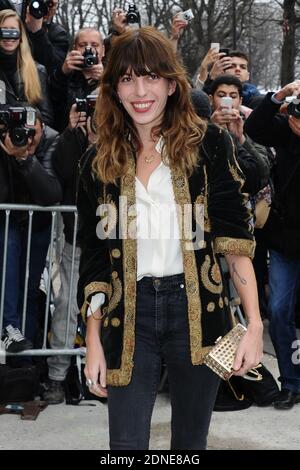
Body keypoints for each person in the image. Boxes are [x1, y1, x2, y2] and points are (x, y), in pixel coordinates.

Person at [77, 27, 263, 450]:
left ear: (171, 83)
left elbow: (235, 242)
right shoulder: (97, 160)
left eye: (150, 77)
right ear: (113, 89)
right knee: (125, 447)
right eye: (126, 79)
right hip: (128, 317)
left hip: (197, 313)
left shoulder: (209, 145)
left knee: (189, 446)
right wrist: (92, 341)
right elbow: (93, 258)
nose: (140, 91)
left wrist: (253, 325)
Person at [244, 80, 300, 410]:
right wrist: (278, 96)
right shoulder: (286, 130)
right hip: (285, 239)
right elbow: (255, 126)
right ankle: (291, 382)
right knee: (279, 310)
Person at [0, 110, 62, 352]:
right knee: (10, 283)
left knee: (29, 290)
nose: (26, 137)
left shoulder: (51, 139)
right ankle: (10, 331)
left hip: (39, 226)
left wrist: (25, 159)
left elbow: (51, 194)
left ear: (42, 127)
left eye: (32, 132)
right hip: (8, 223)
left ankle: (25, 361)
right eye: (21, 132)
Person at [0, 8, 54, 126]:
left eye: (13, 31)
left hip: (29, 137)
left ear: (20, 36)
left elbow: (46, 118)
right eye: (3, 31)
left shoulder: (37, 71)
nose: (9, 36)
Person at [49, 27, 104, 131]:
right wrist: (63, 72)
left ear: (103, 50)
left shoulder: (113, 77)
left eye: (94, 45)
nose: (89, 50)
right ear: (74, 49)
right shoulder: (65, 76)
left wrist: (105, 79)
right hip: (70, 138)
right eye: (82, 45)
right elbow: (54, 101)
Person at [25, 0, 70, 75]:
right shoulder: (14, 24)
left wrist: (38, 32)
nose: (44, 8)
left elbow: (56, 67)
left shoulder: (58, 33)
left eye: (50, 4)